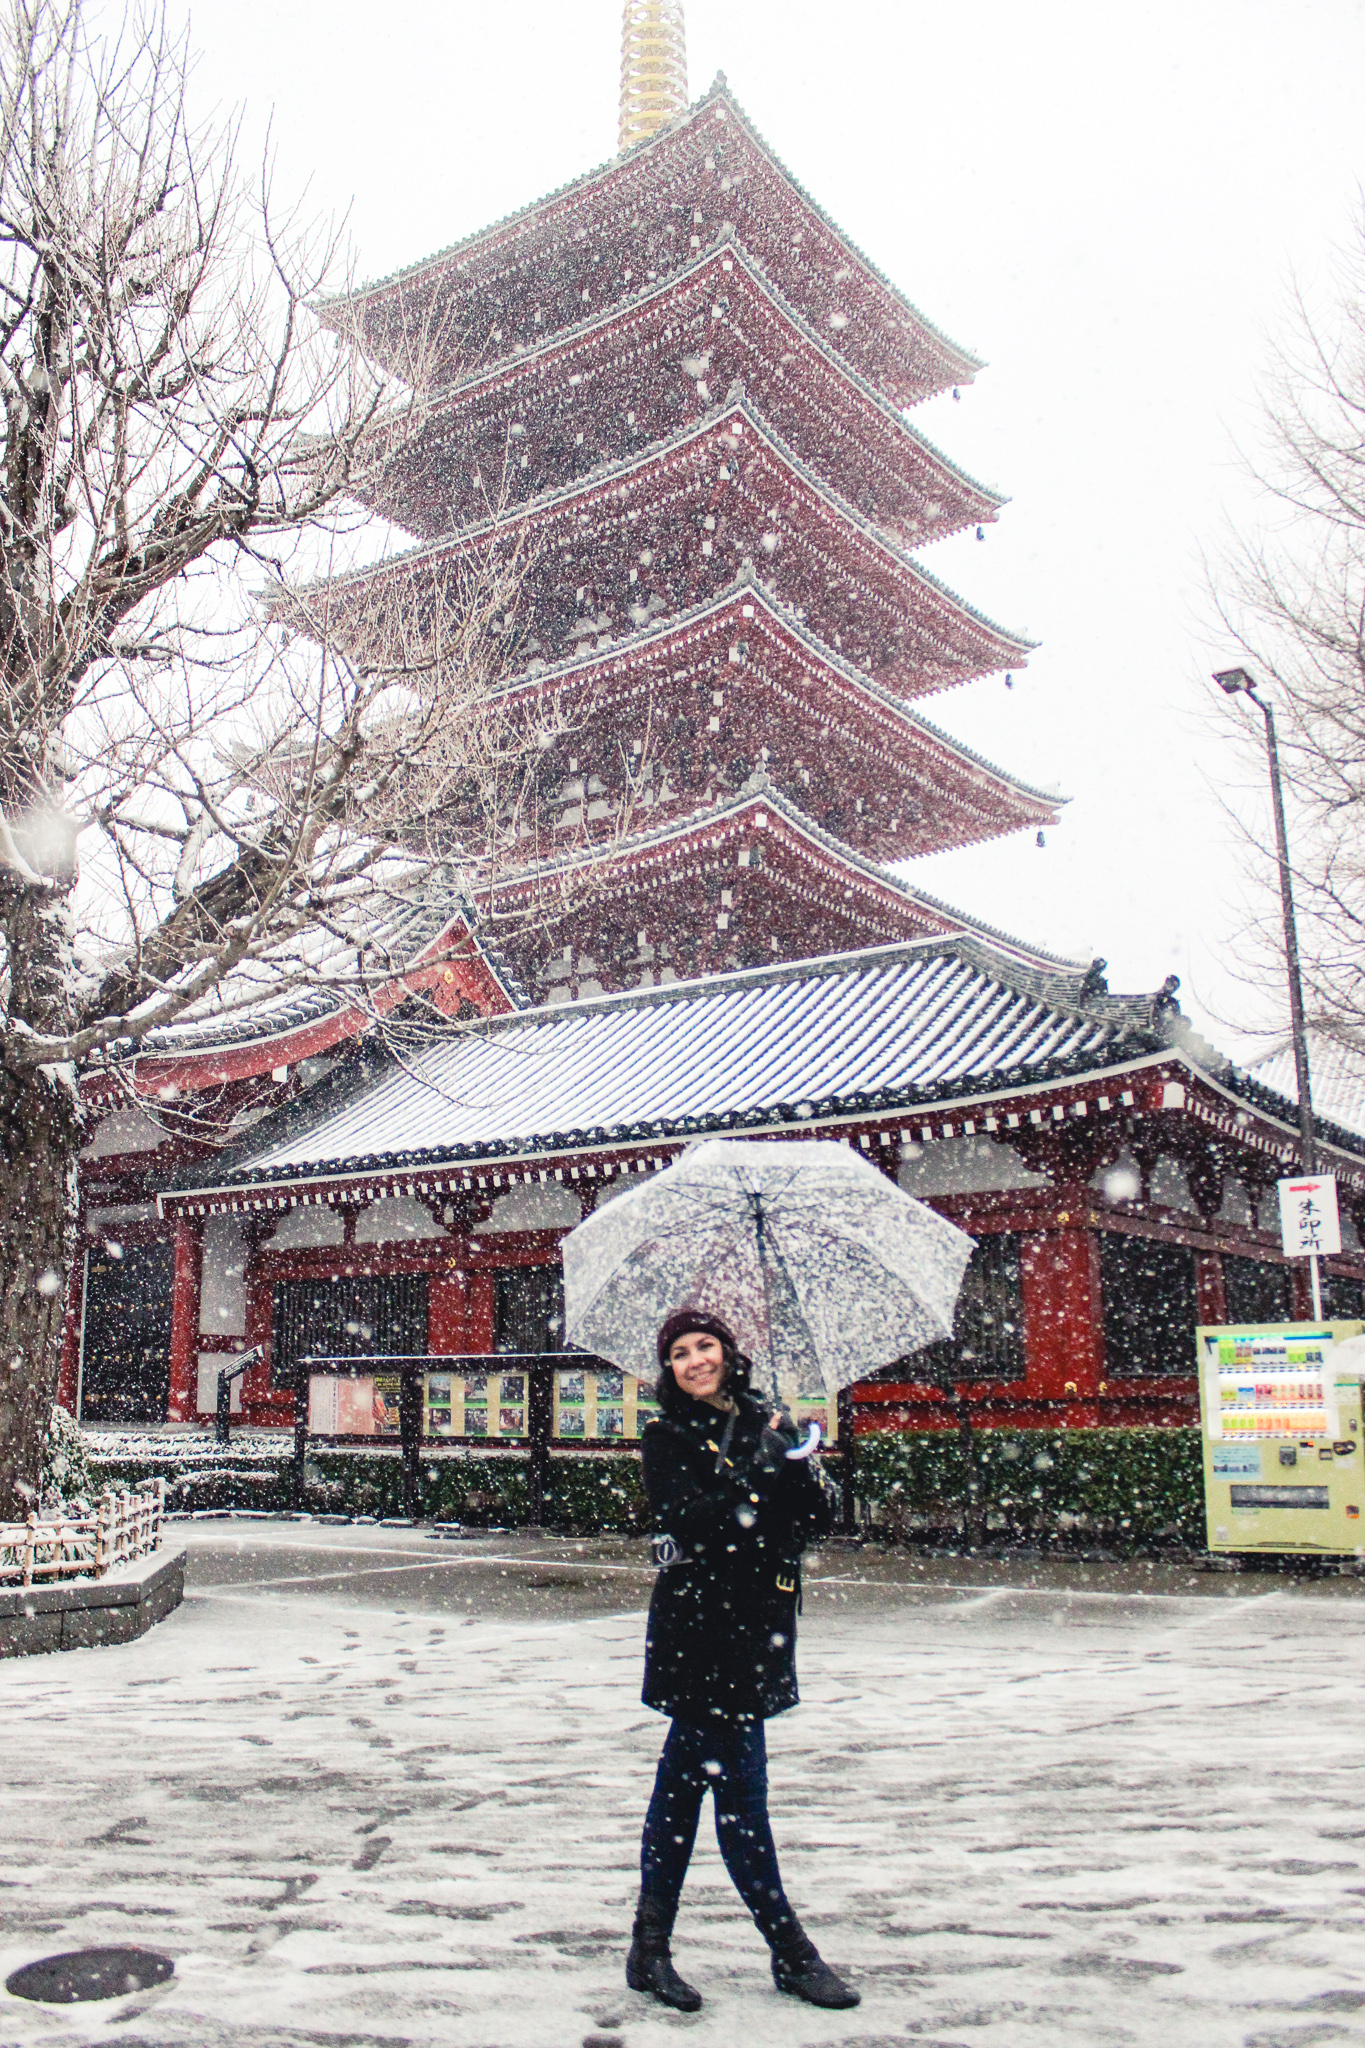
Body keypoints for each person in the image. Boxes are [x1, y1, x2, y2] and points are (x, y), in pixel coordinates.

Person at [625, 1309, 860, 2013]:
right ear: (667, 1369)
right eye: (679, 1353)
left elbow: (821, 1518)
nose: (695, 1360)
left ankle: (649, 1948)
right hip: (699, 1632)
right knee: (739, 1801)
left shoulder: (770, 1418)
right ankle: (789, 1951)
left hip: (757, 1628)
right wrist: (752, 1478)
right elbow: (689, 1519)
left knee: (681, 1795)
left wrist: (800, 1463)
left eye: (705, 1346)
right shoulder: (665, 1437)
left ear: (728, 1353)